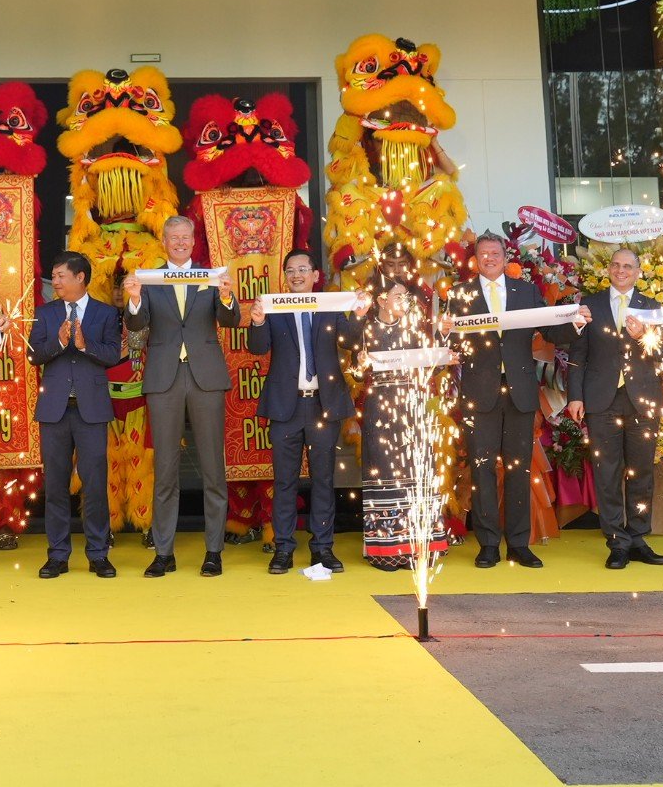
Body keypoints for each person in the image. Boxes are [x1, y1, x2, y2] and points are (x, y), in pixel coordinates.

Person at [125, 214, 239, 577]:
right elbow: (136, 324)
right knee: (165, 470)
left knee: (213, 469)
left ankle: (214, 551)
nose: (179, 242)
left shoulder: (210, 276)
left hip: (206, 377)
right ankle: (163, 553)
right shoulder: (149, 278)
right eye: (173, 237)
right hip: (165, 379)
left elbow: (230, 321)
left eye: (185, 237)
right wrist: (133, 300)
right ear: (163, 241)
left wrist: (226, 296)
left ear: (193, 241)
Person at [242, 248, 356, 574]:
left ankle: (323, 548)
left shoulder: (330, 305)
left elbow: (350, 341)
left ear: (315, 275)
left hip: (323, 404)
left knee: (323, 480)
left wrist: (359, 314)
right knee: (284, 482)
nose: (296, 275)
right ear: (285, 276)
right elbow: (258, 347)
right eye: (291, 270)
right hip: (285, 406)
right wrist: (258, 321)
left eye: (303, 269)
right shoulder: (275, 306)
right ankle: (283, 549)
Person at [565, 244, 663, 569]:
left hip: (642, 399)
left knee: (642, 472)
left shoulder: (652, 307)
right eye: (616, 265)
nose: (621, 271)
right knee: (607, 472)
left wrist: (644, 336)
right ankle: (617, 542)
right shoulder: (590, 305)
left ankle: (638, 538)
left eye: (627, 266)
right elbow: (578, 355)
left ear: (638, 272)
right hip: (601, 399)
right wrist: (575, 396)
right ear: (609, 269)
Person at [453, 233, 546, 570]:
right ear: (475, 259)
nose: (490, 258)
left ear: (506, 258)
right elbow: (450, 340)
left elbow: (551, 328)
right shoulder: (460, 294)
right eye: (484, 253)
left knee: (519, 469)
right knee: (482, 469)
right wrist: (445, 332)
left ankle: (519, 544)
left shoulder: (527, 292)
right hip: (480, 393)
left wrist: (575, 320)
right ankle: (489, 544)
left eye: (495, 252)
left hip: (520, 392)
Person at [29, 250, 121, 578]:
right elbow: (33, 355)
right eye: (54, 276)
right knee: (55, 485)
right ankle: (57, 555)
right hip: (54, 410)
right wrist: (57, 342)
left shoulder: (106, 313)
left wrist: (84, 346)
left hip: (91, 410)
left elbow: (113, 355)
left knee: (95, 485)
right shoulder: (45, 313)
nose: (54, 282)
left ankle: (98, 553)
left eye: (60, 276)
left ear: (80, 277)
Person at [358, 259, 449, 572]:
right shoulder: (365, 329)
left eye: (406, 297)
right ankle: (386, 549)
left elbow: (434, 365)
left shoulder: (414, 328)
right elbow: (355, 373)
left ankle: (418, 548)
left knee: (416, 472)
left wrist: (444, 343)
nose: (405, 301)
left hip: (413, 407)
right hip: (379, 409)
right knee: (384, 475)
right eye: (399, 296)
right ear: (382, 299)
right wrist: (359, 364)